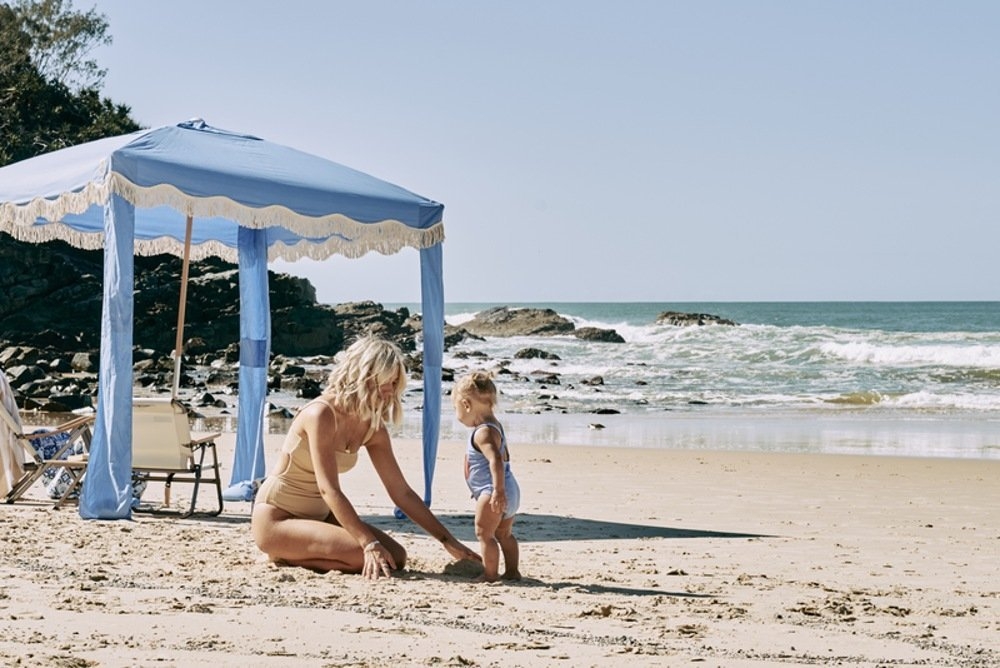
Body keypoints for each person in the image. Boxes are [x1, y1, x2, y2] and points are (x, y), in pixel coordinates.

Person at [251, 336, 480, 579]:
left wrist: (448, 541)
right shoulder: (321, 414)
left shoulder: (373, 428)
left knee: (396, 558)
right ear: (366, 376)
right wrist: (368, 542)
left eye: (395, 383)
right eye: (387, 382)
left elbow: (401, 492)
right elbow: (329, 490)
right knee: (366, 556)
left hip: (319, 517)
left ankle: (295, 554)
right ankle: (281, 552)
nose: (392, 391)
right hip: (279, 518)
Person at [451, 371, 521, 582]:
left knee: (484, 534)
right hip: (510, 488)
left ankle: (490, 575)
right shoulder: (494, 427)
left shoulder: (483, 432)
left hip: (492, 490)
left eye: (455, 408)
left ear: (466, 405)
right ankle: (512, 571)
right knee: (504, 534)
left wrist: (497, 492)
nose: (457, 414)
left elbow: (495, 461)